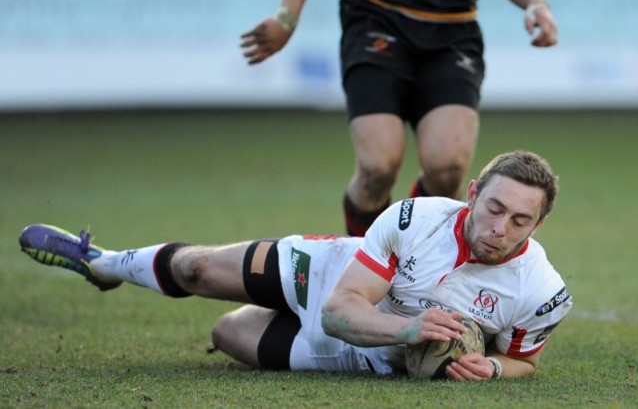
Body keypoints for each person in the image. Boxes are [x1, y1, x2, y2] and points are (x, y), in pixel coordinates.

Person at [19, 150, 572, 380]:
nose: (500, 228)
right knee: (199, 272)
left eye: (520, 220)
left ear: (538, 226)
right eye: (494, 208)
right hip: (332, 275)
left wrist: (492, 369)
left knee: (226, 332)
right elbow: (338, 310)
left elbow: (523, 359)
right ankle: (103, 261)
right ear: (473, 194)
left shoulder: (543, 290)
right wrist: (411, 328)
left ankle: (254, 315)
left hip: (364, 357)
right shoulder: (414, 218)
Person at [240, 0, 559, 236]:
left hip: (453, 33)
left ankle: (414, 264)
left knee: (447, 168)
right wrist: (287, 15)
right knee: (377, 169)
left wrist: (536, 3)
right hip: (378, 19)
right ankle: (363, 265)